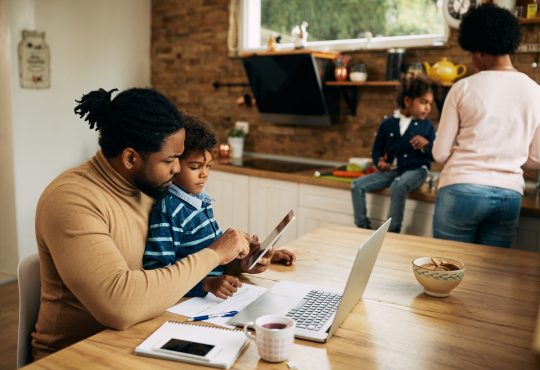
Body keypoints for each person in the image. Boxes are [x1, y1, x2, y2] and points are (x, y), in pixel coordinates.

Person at [33, 87, 274, 360]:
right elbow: (120, 306)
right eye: (170, 160)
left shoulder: (146, 186)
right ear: (130, 158)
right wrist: (215, 253)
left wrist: (235, 261)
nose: (176, 169)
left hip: (145, 334)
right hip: (77, 355)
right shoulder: (73, 200)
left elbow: (181, 259)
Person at [143, 119, 296, 299]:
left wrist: (246, 261)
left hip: (216, 295)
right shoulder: (168, 209)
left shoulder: (199, 201)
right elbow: (158, 274)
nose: (204, 173)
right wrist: (206, 284)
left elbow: (216, 258)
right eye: (195, 166)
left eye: (208, 166)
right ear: (174, 164)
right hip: (188, 302)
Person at [432, 3, 540, 248]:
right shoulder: (536, 92)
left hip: (461, 189)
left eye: (472, 53)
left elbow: (439, 153)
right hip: (509, 195)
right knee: (491, 278)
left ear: (480, 52)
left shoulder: (463, 88)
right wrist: (505, 156)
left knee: (449, 270)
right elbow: (536, 157)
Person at [351, 75, 436, 233]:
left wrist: (426, 145)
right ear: (408, 101)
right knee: (356, 185)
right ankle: (363, 227)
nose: (428, 108)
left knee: (398, 186)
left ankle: (392, 232)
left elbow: (435, 154)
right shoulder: (388, 123)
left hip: (417, 170)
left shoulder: (427, 126)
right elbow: (377, 149)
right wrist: (379, 162)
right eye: (423, 102)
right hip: (392, 171)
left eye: (430, 104)